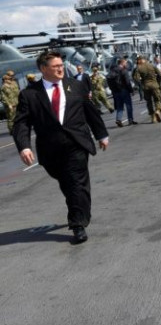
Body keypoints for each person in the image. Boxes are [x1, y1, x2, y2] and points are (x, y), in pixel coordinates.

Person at [12, 51, 109, 244]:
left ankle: (77, 224)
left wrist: (101, 134)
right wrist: (24, 147)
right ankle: (80, 209)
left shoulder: (76, 86)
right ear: (43, 69)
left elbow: (91, 112)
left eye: (61, 65)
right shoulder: (29, 94)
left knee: (76, 182)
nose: (60, 69)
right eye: (55, 66)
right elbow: (21, 123)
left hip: (76, 144)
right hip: (50, 150)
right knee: (68, 184)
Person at [133, 57, 161, 123]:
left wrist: (141, 84)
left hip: (145, 86)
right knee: (157, 99)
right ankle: (157, 111)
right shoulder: (152, 66)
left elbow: (136, 78)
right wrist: (158, 82)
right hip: (154, 85)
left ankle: (153, 117)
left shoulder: (138, 68)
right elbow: (160, 75)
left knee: (149, 102)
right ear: (145, 60)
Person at [108, 58, 137, 127]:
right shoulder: (124, 70)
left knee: (119, 106)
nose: (126, 64)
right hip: (124, 90)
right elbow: (127, 82)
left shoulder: (112, 70)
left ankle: (118, 119)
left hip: (116, 91)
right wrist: (131, 90)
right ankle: (130, 120)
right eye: (125, 63)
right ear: (122, 63)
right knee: (128, 105)